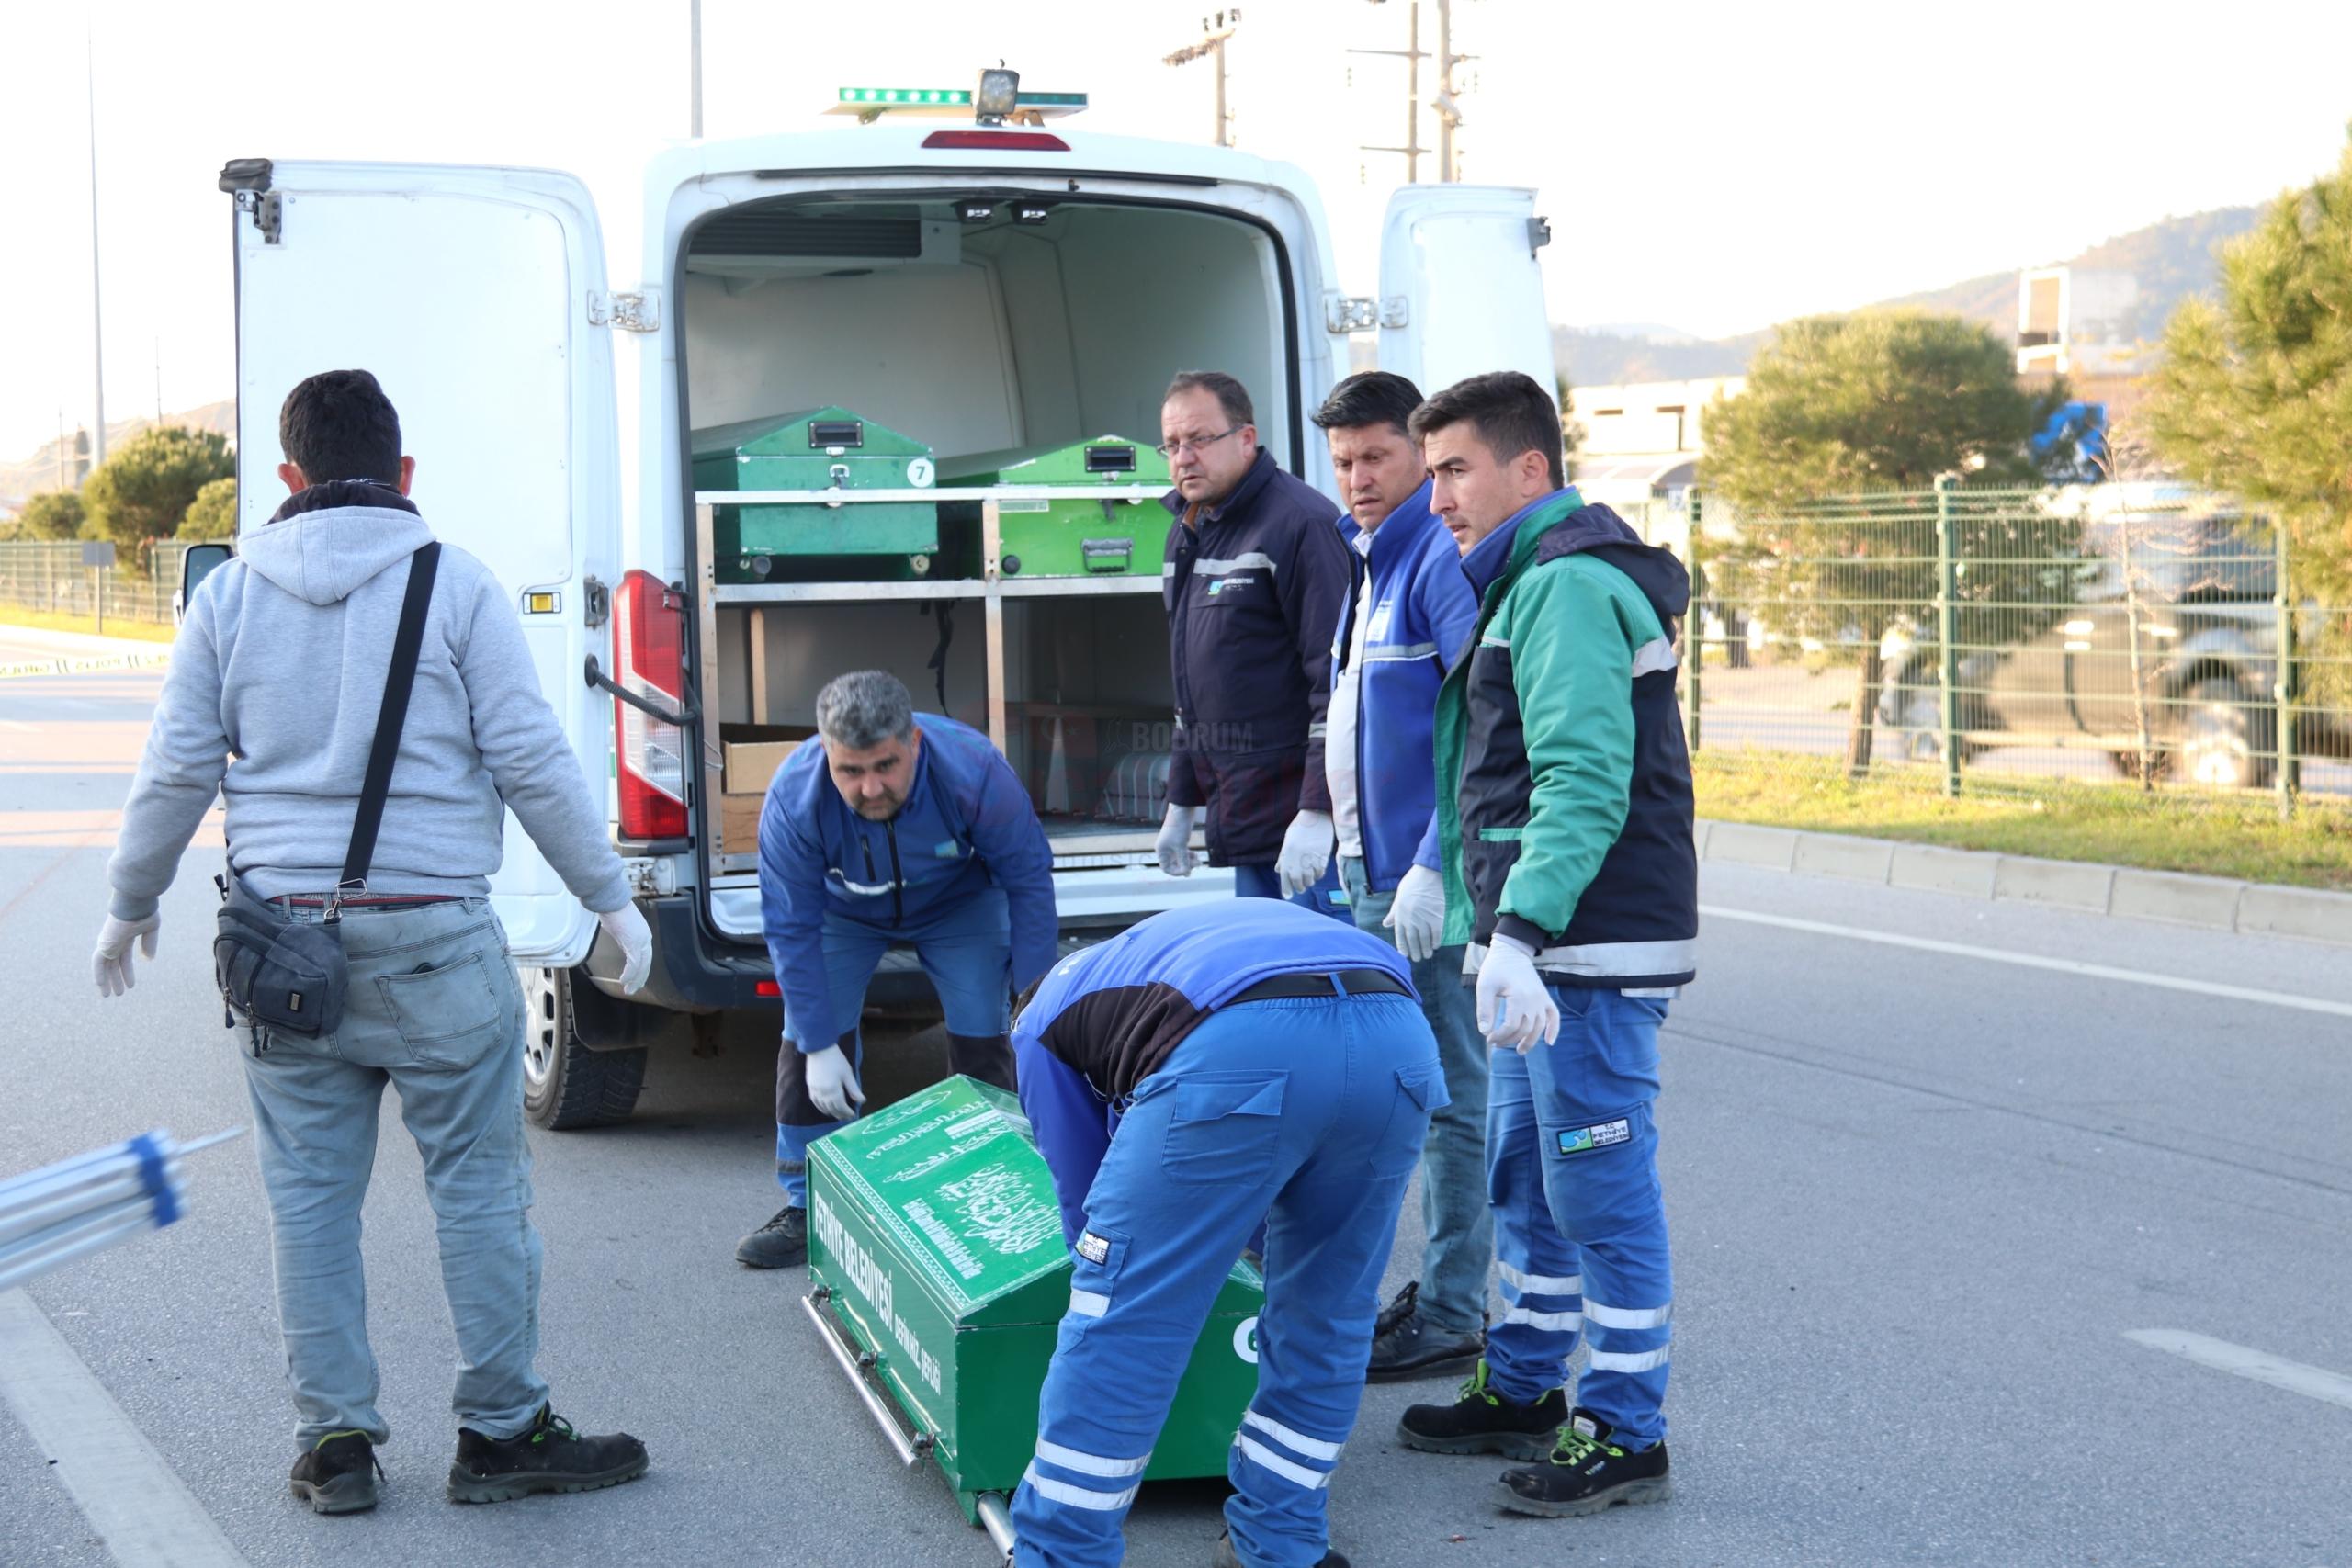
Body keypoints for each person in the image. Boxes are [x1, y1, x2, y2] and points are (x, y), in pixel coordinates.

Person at [92, 368, 655, 1515]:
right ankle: (502, 1434)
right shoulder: (455, 586)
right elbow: (533, 761)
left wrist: (130, 902)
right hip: (435, 945)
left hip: (281, 955)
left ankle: (336, 1445)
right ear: (404, 475)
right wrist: (610, 896)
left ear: (290, 478)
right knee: (480, 1195)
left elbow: (174, 774)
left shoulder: (230, 599)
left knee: (308, 1205)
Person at [1394, 371, 1697, 1518]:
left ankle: (1625, 1426)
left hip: (1586, 946)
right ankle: (1524, 1385)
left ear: (1530, 470)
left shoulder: (1565, 585)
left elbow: (1580, 779)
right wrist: (1481, 922)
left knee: (1598, 1193)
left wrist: (1515, 932)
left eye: (1456, 470)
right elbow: (1503, 783)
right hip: (1539, 946)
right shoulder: (1530, 585)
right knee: (1527, 1178)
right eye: (1432, 476)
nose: (1439, 501)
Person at [1010, 899, 1444, 1568]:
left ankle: (1058, 1554)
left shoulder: (1038, 1026)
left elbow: (1083, 1194)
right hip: (1396, 1039)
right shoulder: (1154, 953)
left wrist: (1123, 1272)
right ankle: (1282, 1542)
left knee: (1121, 1320)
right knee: (1328, 1310)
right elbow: (1283, 1207)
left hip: (1242, 1046)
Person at [735, 670, 1057, 1269]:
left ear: (913, 742)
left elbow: (1028, 879)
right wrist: (817, 1041)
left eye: (884, 765)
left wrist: (1034, 998)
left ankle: (995, 1183)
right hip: (844, 908)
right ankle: (810, 1206)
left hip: (958, 901)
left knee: (984, 1030)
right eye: (850, 770)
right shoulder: (793, 797)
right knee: (805, 1039)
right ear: (826, 752)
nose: (869, 786)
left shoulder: (973, 769)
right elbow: (790, 924)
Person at [1311, 371, 1491, 1381]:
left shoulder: (1436, 562)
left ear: (1420, 453)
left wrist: (1432, 866)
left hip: (1426, 891)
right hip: (1366, 877)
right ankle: (1432, 1293)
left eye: (1375, 456)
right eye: (1341, 462)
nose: (1358, 478)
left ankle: (1456, 1310)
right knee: (1399, 1097)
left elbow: (1479, 728)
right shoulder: (1368, 558)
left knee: (1450, 1100)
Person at [1153, 370, 1353, 918]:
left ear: (1246, 439)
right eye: (1172, 445)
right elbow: (1192, 688)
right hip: (1250, 823)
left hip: (1306, 832)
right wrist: (1182, 801)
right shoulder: (1188, 530)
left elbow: (1334, 683)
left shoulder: (1300, 524)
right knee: (1273, 992)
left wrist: (1319, 812)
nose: (1184, 457)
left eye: (1199, 439)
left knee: (1325, 991)